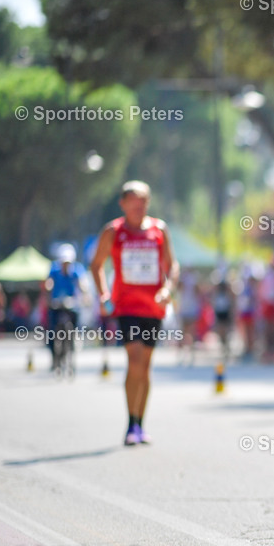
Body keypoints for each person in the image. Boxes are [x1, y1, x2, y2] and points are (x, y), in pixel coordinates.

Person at [90, 181, 179, 445]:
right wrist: (104, 294)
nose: (139, 208)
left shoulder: (159, 229)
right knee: (135, 360)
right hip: (126, 307)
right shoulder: (113, 231)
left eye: (144, 203)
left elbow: (172, 266)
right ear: (123, 204)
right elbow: (96, 265)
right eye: (134, 203)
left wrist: (168, 289)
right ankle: (130, 424)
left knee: (146, 366)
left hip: (154, 308)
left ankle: (141, 423)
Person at [45, 244, 86, 370]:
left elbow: (82, 284)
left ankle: (76, 339)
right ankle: (54, 356)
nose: (65, 265)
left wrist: (85, 294)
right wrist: (48, 288)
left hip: (71, 305)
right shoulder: (54, 269)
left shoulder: (77, 270)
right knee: (51, 331)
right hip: (56, 304)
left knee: (75, 323)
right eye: (63, 262)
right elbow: (49, 283)